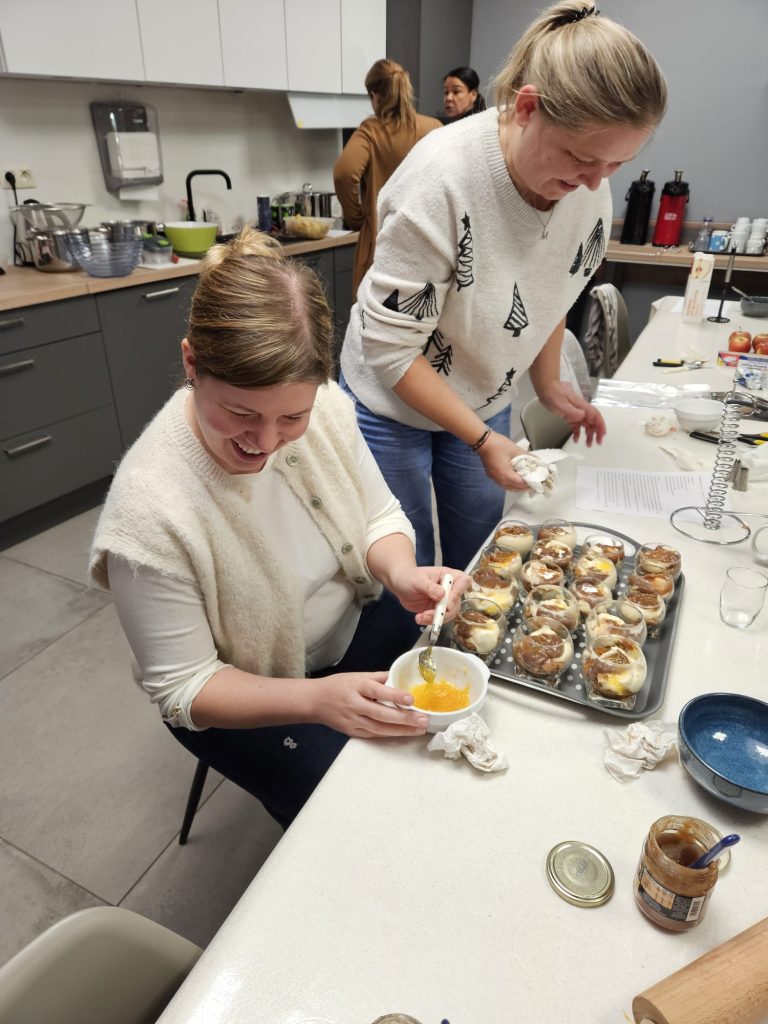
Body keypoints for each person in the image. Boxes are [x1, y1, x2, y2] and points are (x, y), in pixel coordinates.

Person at [89, 228, 468, 831]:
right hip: (249, 689)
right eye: (240, 412)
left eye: (292, 416)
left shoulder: (330, 409)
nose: (265, 443)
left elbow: (377, 515)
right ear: (191, 363)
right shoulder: (150, 513)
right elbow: (184, 686)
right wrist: (316, 700)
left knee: (459, 687)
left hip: (353, 625)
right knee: (351, 812)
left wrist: (401, 572)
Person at [339, 1, 667, 569]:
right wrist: (484, 440)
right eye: (582, 158)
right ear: (528, 107)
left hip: (483, 392)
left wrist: (547, 383)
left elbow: (554, 287)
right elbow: (390, 350)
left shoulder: (586, 183)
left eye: (616, 165)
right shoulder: (440, 180)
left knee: (488, 556)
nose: (595, 182)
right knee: (405, 570)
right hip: (390, 401)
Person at [334, 59, 442, 296]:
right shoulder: (433, 127)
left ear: (374, 95)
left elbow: (344, 174)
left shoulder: (371, 130)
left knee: (372, 312)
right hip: (425, 247)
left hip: (381, 249)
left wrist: (357, 218)